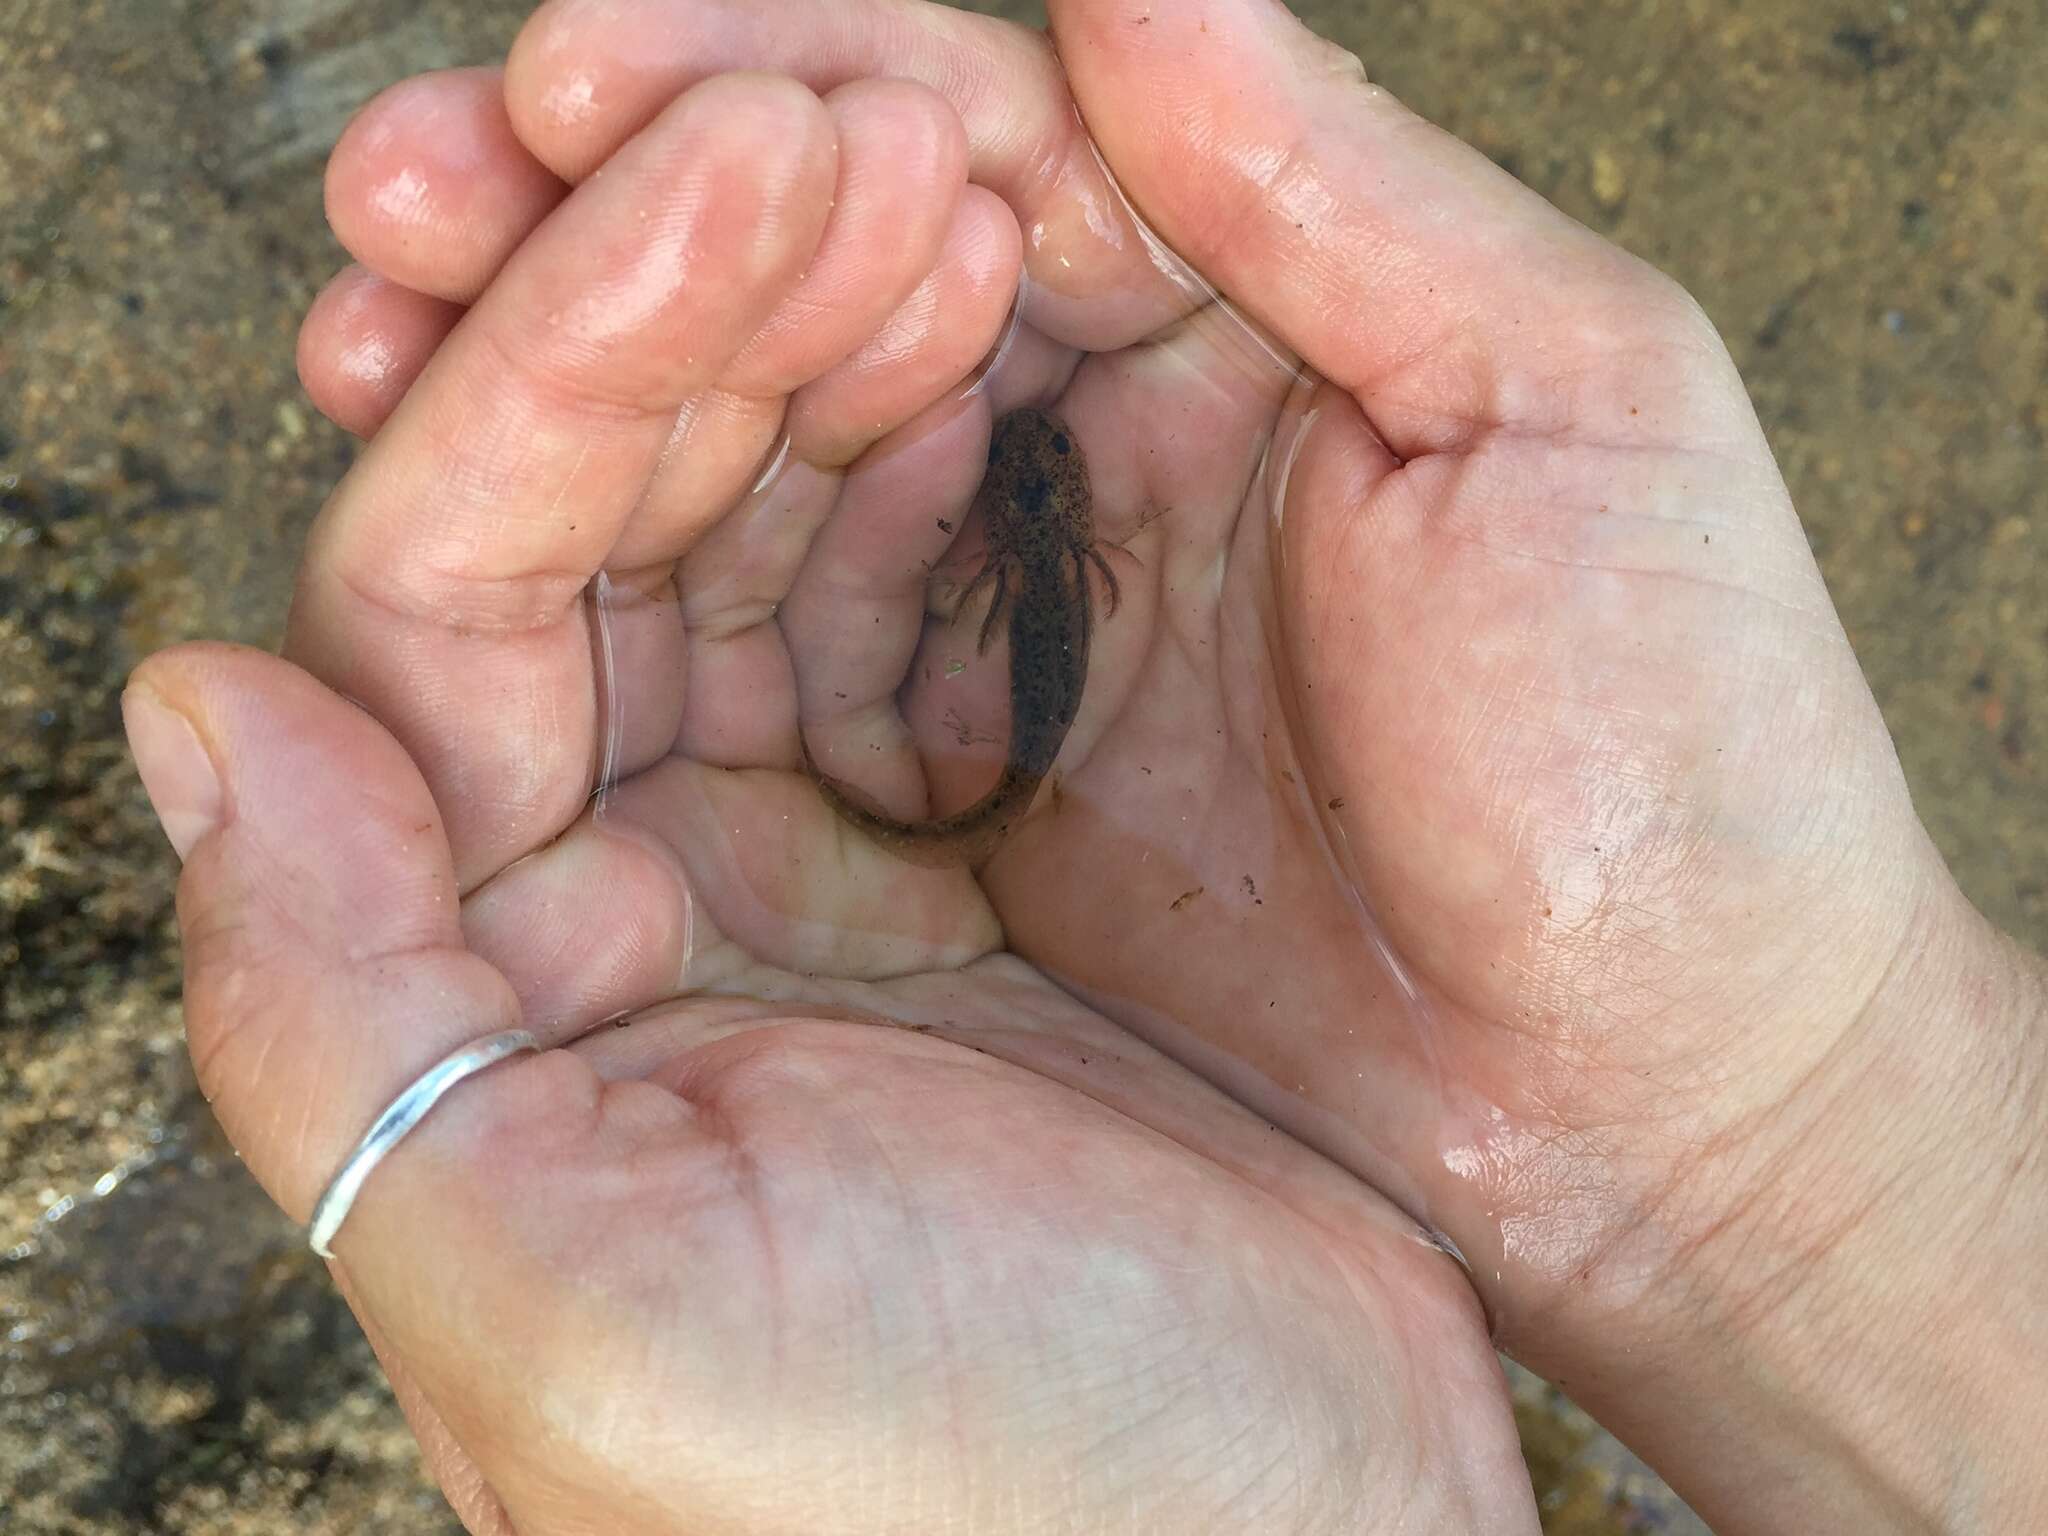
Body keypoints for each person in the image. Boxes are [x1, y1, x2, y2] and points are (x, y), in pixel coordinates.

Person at [122, 0, 2045, 1531]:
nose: (1030, 503)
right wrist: (1819, 1158)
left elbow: (1027, 554)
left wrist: (1811, 1144)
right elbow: (1055, 556)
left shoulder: (1019, 546)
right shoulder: (1057, 549)